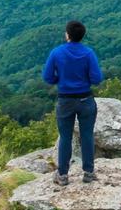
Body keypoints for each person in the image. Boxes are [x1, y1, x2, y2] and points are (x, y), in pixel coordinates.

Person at [42, 20, 104, 185]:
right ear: (82, 36)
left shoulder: (56, 53)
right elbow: (97, 78)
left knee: (65, 137)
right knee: (87, 136)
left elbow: (47, 77)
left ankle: (62, 176)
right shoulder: (88, 53)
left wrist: (60, 79)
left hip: (65, 100)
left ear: (67, 35)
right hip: (86, 99)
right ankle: (89, 173)